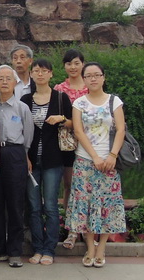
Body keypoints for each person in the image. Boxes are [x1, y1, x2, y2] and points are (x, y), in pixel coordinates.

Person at [67, 62, 126, 268]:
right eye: (89, 76)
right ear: (84, 79)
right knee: (86, 205)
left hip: (109, 161)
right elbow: (78, 131)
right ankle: (90, 247)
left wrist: (112, 155)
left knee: (107, 204)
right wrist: (94, 157)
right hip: (85, 161)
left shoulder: (114, 101)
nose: (93, 79)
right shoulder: (79, 103)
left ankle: (101, 248)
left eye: (97, 75)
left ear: (103, 77)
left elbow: (121, 130)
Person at [20, 59, 73, 266]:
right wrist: (25, 157)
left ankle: (49, 249)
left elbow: (74, 124)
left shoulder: (60, 97)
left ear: (51, 74)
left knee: (50, 206)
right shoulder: (25, 100)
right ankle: (38, 248)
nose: (40, 74)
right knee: (33, 207)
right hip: (31, 160)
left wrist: (61, 119)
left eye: (44, 70)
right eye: (36, 71)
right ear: (31, 74)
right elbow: (20, 131)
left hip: (53, 159)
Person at [0, 65, 34, 268]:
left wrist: (25, 155)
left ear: (15, 83)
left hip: (15, 154)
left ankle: (15, 251)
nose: (5, 82)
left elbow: (28, 135)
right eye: (1, 78)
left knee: (15, 203)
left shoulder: (22, 108)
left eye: (9, 78)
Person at [54, 48, 88, 250]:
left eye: (76, 63)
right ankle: (71, 228)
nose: (73, 67)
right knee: (69, 185)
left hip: (90, 144)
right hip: (67, 144)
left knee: (87, 187)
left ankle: (86, 228)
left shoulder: (91, 87)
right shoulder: (59, 89)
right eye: (69, 63)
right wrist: (72, 123)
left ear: (83, 64)